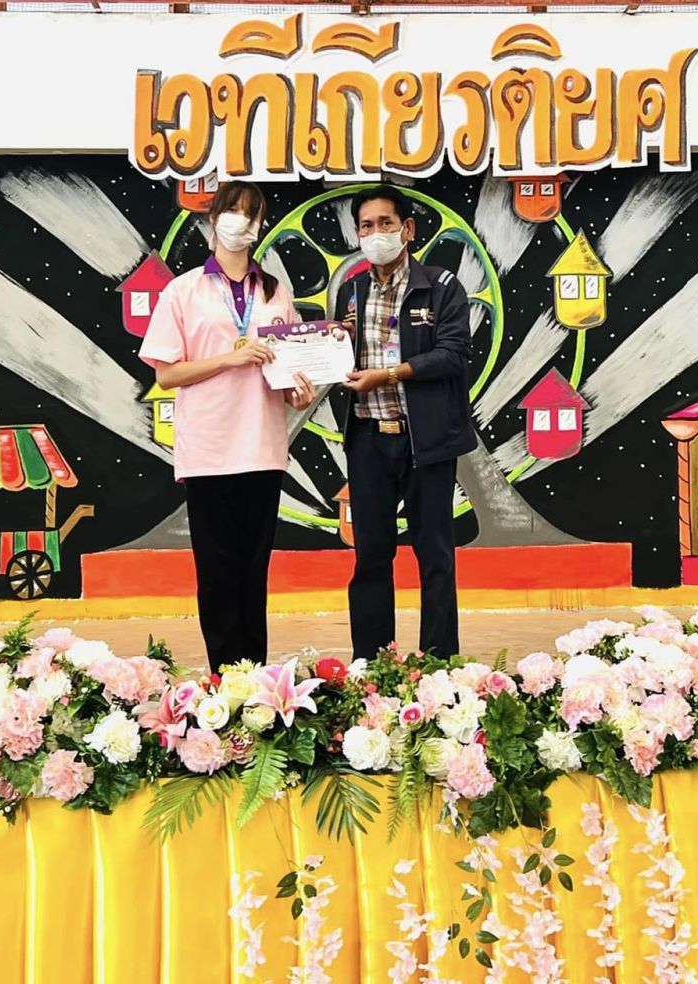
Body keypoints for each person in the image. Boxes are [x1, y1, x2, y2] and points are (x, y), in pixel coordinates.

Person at [139, 180, 316, 672]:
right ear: (214, 218)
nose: (241, 221)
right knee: (217, 571)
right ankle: (223, 676)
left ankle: (253, 677)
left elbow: (285, 373)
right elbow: (167, 374)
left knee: (254, 570)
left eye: (251, 214)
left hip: (262, 446)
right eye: (232, 210)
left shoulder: (275, 292)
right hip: (209, 449)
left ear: (260, 226)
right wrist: (229, 358)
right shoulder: (183, 290)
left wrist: (299, 392)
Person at [338, 185, 477, 661]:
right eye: (366, 226)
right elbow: (342, 358)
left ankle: (439, 664)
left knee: (435, 556)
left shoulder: (441, 286)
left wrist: (390, 374)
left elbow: (454, 354)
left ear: (408, 229)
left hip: (427, 442)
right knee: (371, 557)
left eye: (385, 223)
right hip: (367, 439)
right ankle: (371, 662)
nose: (375, 233)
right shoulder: (351, 290)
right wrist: (332, 345)